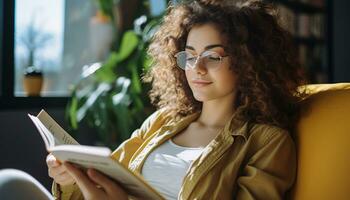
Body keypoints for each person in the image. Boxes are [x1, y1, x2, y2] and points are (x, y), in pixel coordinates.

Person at [19, 0, 307, 199]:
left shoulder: (267, 142)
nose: (197, 68)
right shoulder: (163, 121)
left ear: (248, 62)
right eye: (190, 55)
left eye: (212, 56)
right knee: (8, 182)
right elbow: (101, 181)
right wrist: (68, 179)